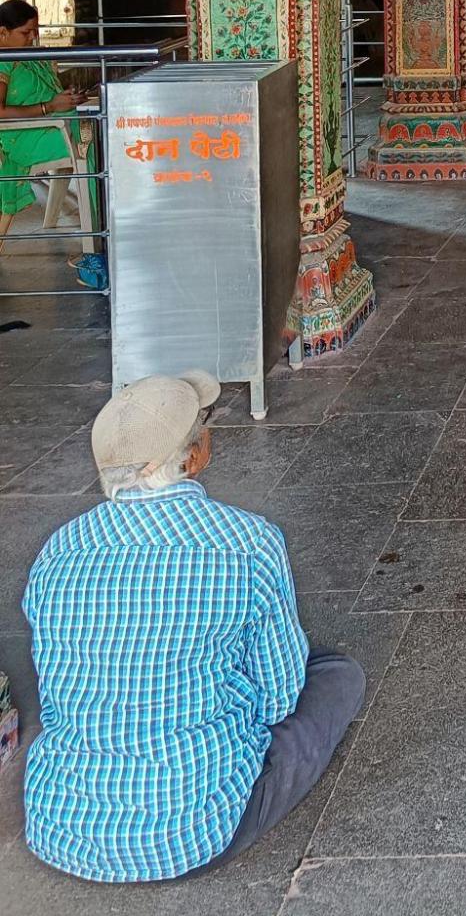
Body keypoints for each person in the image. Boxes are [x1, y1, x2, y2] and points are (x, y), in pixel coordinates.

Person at [22, 370, 365, 884]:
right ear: (193, 456)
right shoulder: (245, 542)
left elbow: (55, 701)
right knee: (338, 676)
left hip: (61, 831)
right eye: (202, 428)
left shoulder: (57, 552)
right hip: (192, 833)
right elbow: (279, 700)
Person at [0, 0, 105, 288]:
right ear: (2, 33)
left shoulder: (34, 56)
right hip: (22, 136)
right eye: (25, 32)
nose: (33, 37)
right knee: (90, 147)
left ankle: (104, 232)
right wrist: (50, 107)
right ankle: (96, 246)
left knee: (97, 130)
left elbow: (52, 96)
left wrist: (68, 100)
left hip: (50, 125)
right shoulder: (3, 61)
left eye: (35, 30)